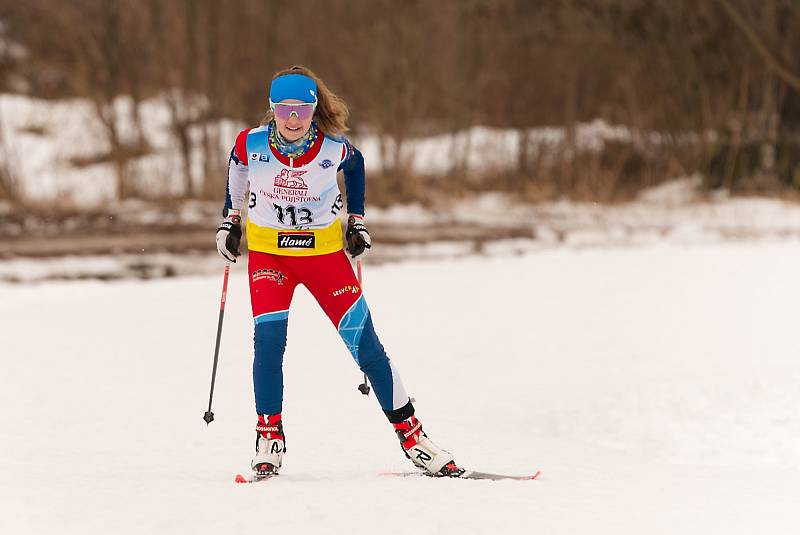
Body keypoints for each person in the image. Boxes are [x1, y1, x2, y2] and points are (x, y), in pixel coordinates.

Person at [216, 65, 461, 479]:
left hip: (323, 257)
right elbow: (237, 165)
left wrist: (357, 219)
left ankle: (414, 438)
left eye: (302, 110)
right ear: (272, 109)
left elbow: (358, 166)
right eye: (284, 109)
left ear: (314, 109)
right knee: (269, 343)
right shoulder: (250, 142)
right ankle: (268, 437)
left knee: (367, 347)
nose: (293, 119)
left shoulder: (334, 148)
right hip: (269, 258)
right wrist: (230, 219)